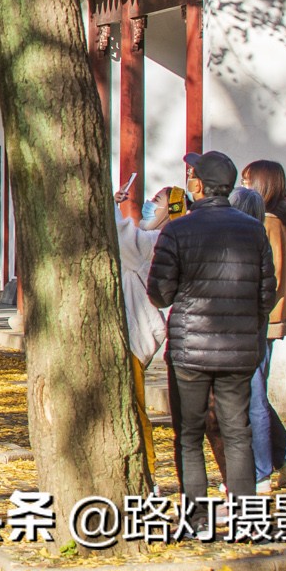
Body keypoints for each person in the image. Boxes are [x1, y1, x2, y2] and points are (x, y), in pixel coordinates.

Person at [146, 150, 276, 513]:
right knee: (237, 433)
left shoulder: (177, 229)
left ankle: (198, 517)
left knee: (188, 435)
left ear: (199, 185)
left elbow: (159, 292)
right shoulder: (254, 230)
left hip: (190, 350)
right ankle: (246, 517)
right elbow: (267, 294)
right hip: (238, 351)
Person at [240, 159, 286, 489]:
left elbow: (272, 276)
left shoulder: (268, 223)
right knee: (256, 395)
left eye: (248, 181)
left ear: (264, 185)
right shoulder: (281, 221)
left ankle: (262, 473)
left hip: (261, 321)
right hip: (268, 320)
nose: (243, 188)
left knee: (253, 397)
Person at [114, 178, 175, 488]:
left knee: (135, 408)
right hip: (137, 331)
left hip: (137, 334)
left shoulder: (154, 243)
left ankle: (147, 473)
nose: (151, 203)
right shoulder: (154, 239)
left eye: (158, 200)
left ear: (172, 210)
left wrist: (111, 206)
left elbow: (122, 238)